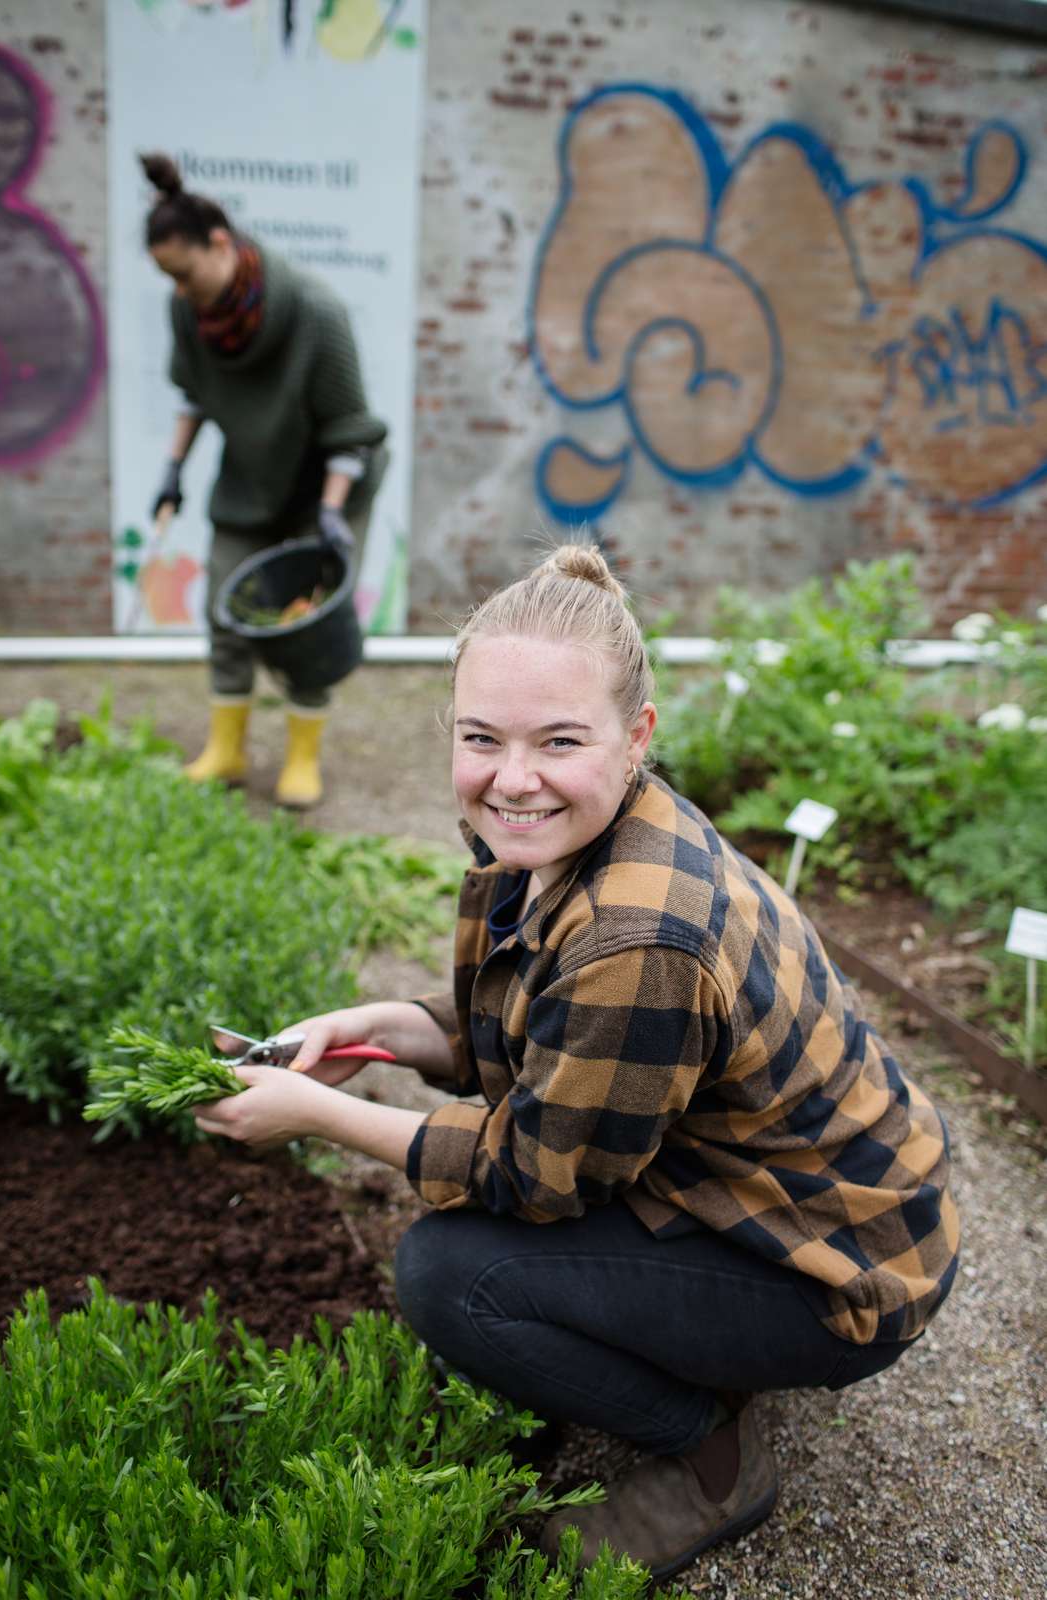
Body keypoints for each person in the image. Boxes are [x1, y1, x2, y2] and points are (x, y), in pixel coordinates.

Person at [195, 543, 960, 1582]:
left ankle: (708, 1454)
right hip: (799, 1194)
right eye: (480, 739)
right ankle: (690, 1345)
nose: (512, 779)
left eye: (558, 740)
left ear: (635, 735)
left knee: (452, 1274)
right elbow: (520, 1030)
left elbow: (534, 1175)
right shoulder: (573, 838)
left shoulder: (637, 933)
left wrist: (318, 1116)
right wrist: (361, 1026)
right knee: (485, 1243)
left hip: (833, 1266)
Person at [142, 152, 388, 808]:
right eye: (170, 278)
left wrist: (330, 520)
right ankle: (226, 750)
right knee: (226, 601)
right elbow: (196, 395)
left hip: (327, 483)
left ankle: (302, 758)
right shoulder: (189, 313)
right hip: (250, 477)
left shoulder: (314, 312)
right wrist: (172, 470)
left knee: (304, 619)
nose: (183, 290)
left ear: (220, 244)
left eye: (188, 273)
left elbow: (350, 429)